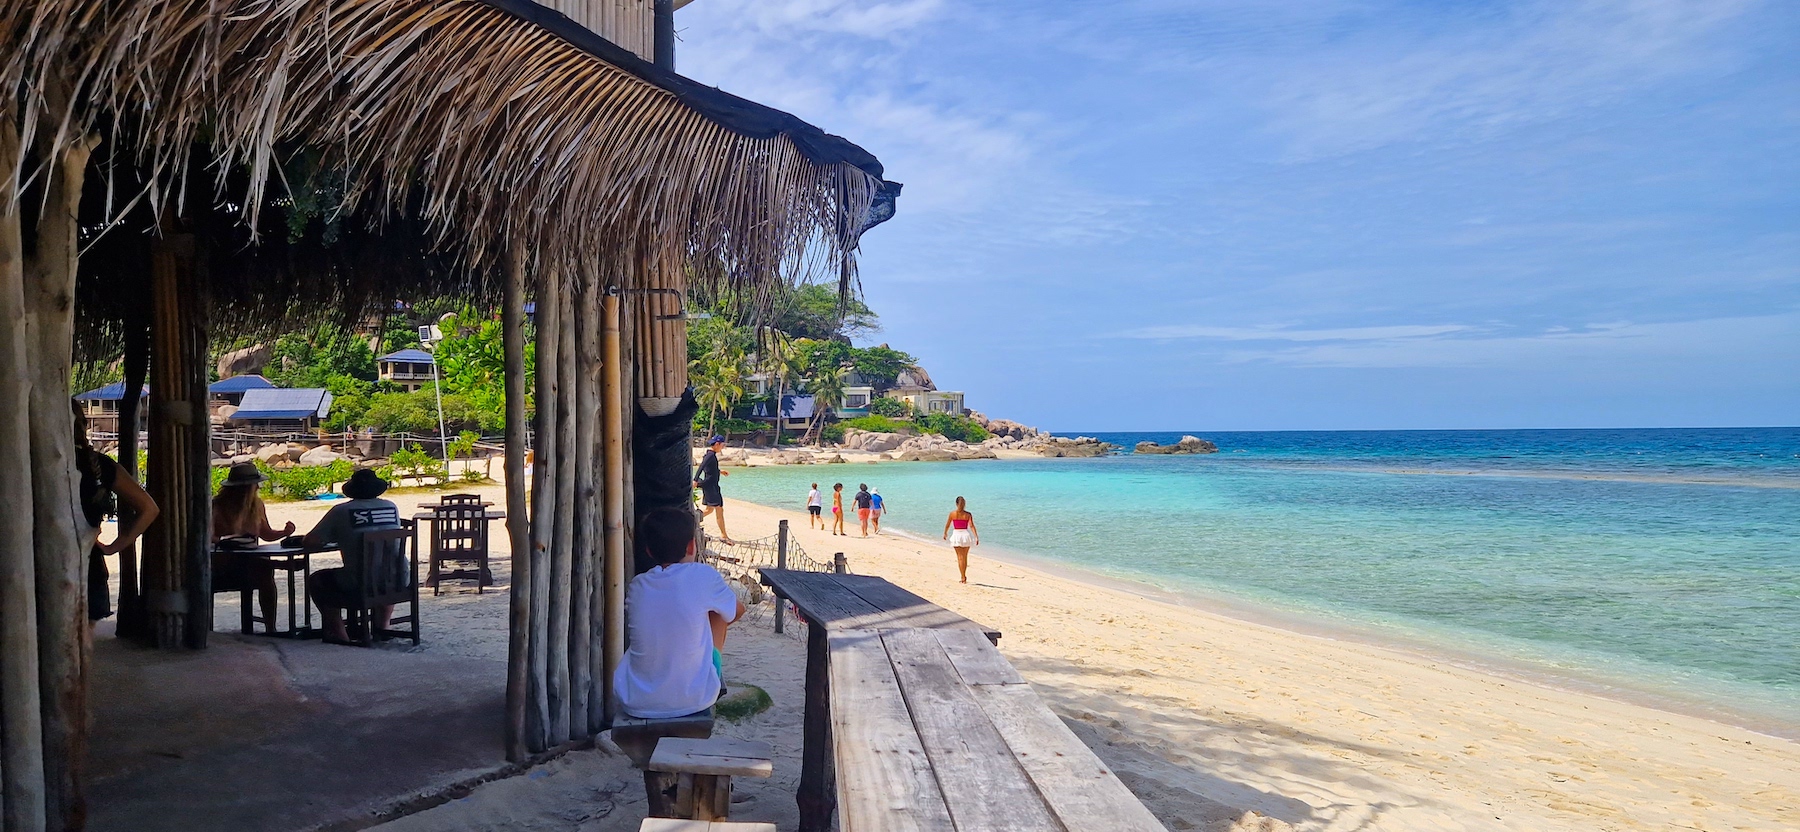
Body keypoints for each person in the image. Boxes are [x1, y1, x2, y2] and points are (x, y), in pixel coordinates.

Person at [615, 506, 745, 718]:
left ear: (648, 551)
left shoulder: (637, 585)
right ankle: (711, 670)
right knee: (718, 614)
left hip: (636, 699)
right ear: (692, 545)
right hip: (695, 698)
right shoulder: (703, 575)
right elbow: (738, 611)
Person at [75, 403, 159, 622]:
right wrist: (115, 547)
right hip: (88, 559)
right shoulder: (101, 466)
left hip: (39, 559)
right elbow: (149, 508)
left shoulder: (33, 463)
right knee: (83, 644)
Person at [303, 469, 404, 645]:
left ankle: (339, 632)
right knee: (383, 569)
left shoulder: (341, 511)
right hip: (399, 578)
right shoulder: (391, 507)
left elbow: (311, 540)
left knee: (317, 580)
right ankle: (383, 626)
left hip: (361, 581)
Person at [211, 463, 293, 632]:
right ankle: (280, 565)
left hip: (252, 564)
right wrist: (226, 541)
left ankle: (271, 627)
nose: (257, 488)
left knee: (264, 573)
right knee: (263, 567)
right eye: (255, 484)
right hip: (224, 565)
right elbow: (208, 536)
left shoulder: (257, 505)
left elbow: (266, 534)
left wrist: (285, 532)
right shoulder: (216, 505)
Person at [694, 435, 732, 544]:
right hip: (711, 486)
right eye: (722, 445)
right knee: (719, 509)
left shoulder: (711, 455)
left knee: (709, 510)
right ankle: (724, 536)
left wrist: (720, 471)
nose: (722, 447)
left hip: (712, 486)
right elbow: (702, 466)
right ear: (716, 444)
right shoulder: (710, 455)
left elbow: (710, 469)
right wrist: (695, 480)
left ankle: (692, 520)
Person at [941, 496, 979, 584]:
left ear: (956, 504)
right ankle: (964, 576)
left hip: (957, 535)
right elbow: (972, 526)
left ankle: (962, 577)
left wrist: (945, 533)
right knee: (965, 557)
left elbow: (947, 525)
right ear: (964, 504)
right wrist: (976, 536)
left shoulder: (952, 514)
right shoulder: (968, 514)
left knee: (959, 558)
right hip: (965, 535)